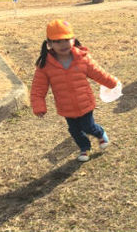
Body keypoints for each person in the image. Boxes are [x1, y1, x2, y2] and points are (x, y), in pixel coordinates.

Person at [30, 19, 119, 162]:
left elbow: (98, 73)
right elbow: (38, 88)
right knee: (74, 131)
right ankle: (85, 148)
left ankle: (100, 133)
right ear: (49, 44)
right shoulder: (45, 65)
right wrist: (39, 106)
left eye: (66, 39)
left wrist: (111, 82)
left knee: (88, 126)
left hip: (85, 103)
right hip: (66, 107)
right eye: (57, 41)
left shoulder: (82, 58)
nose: (63, 44)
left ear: (73, 39)